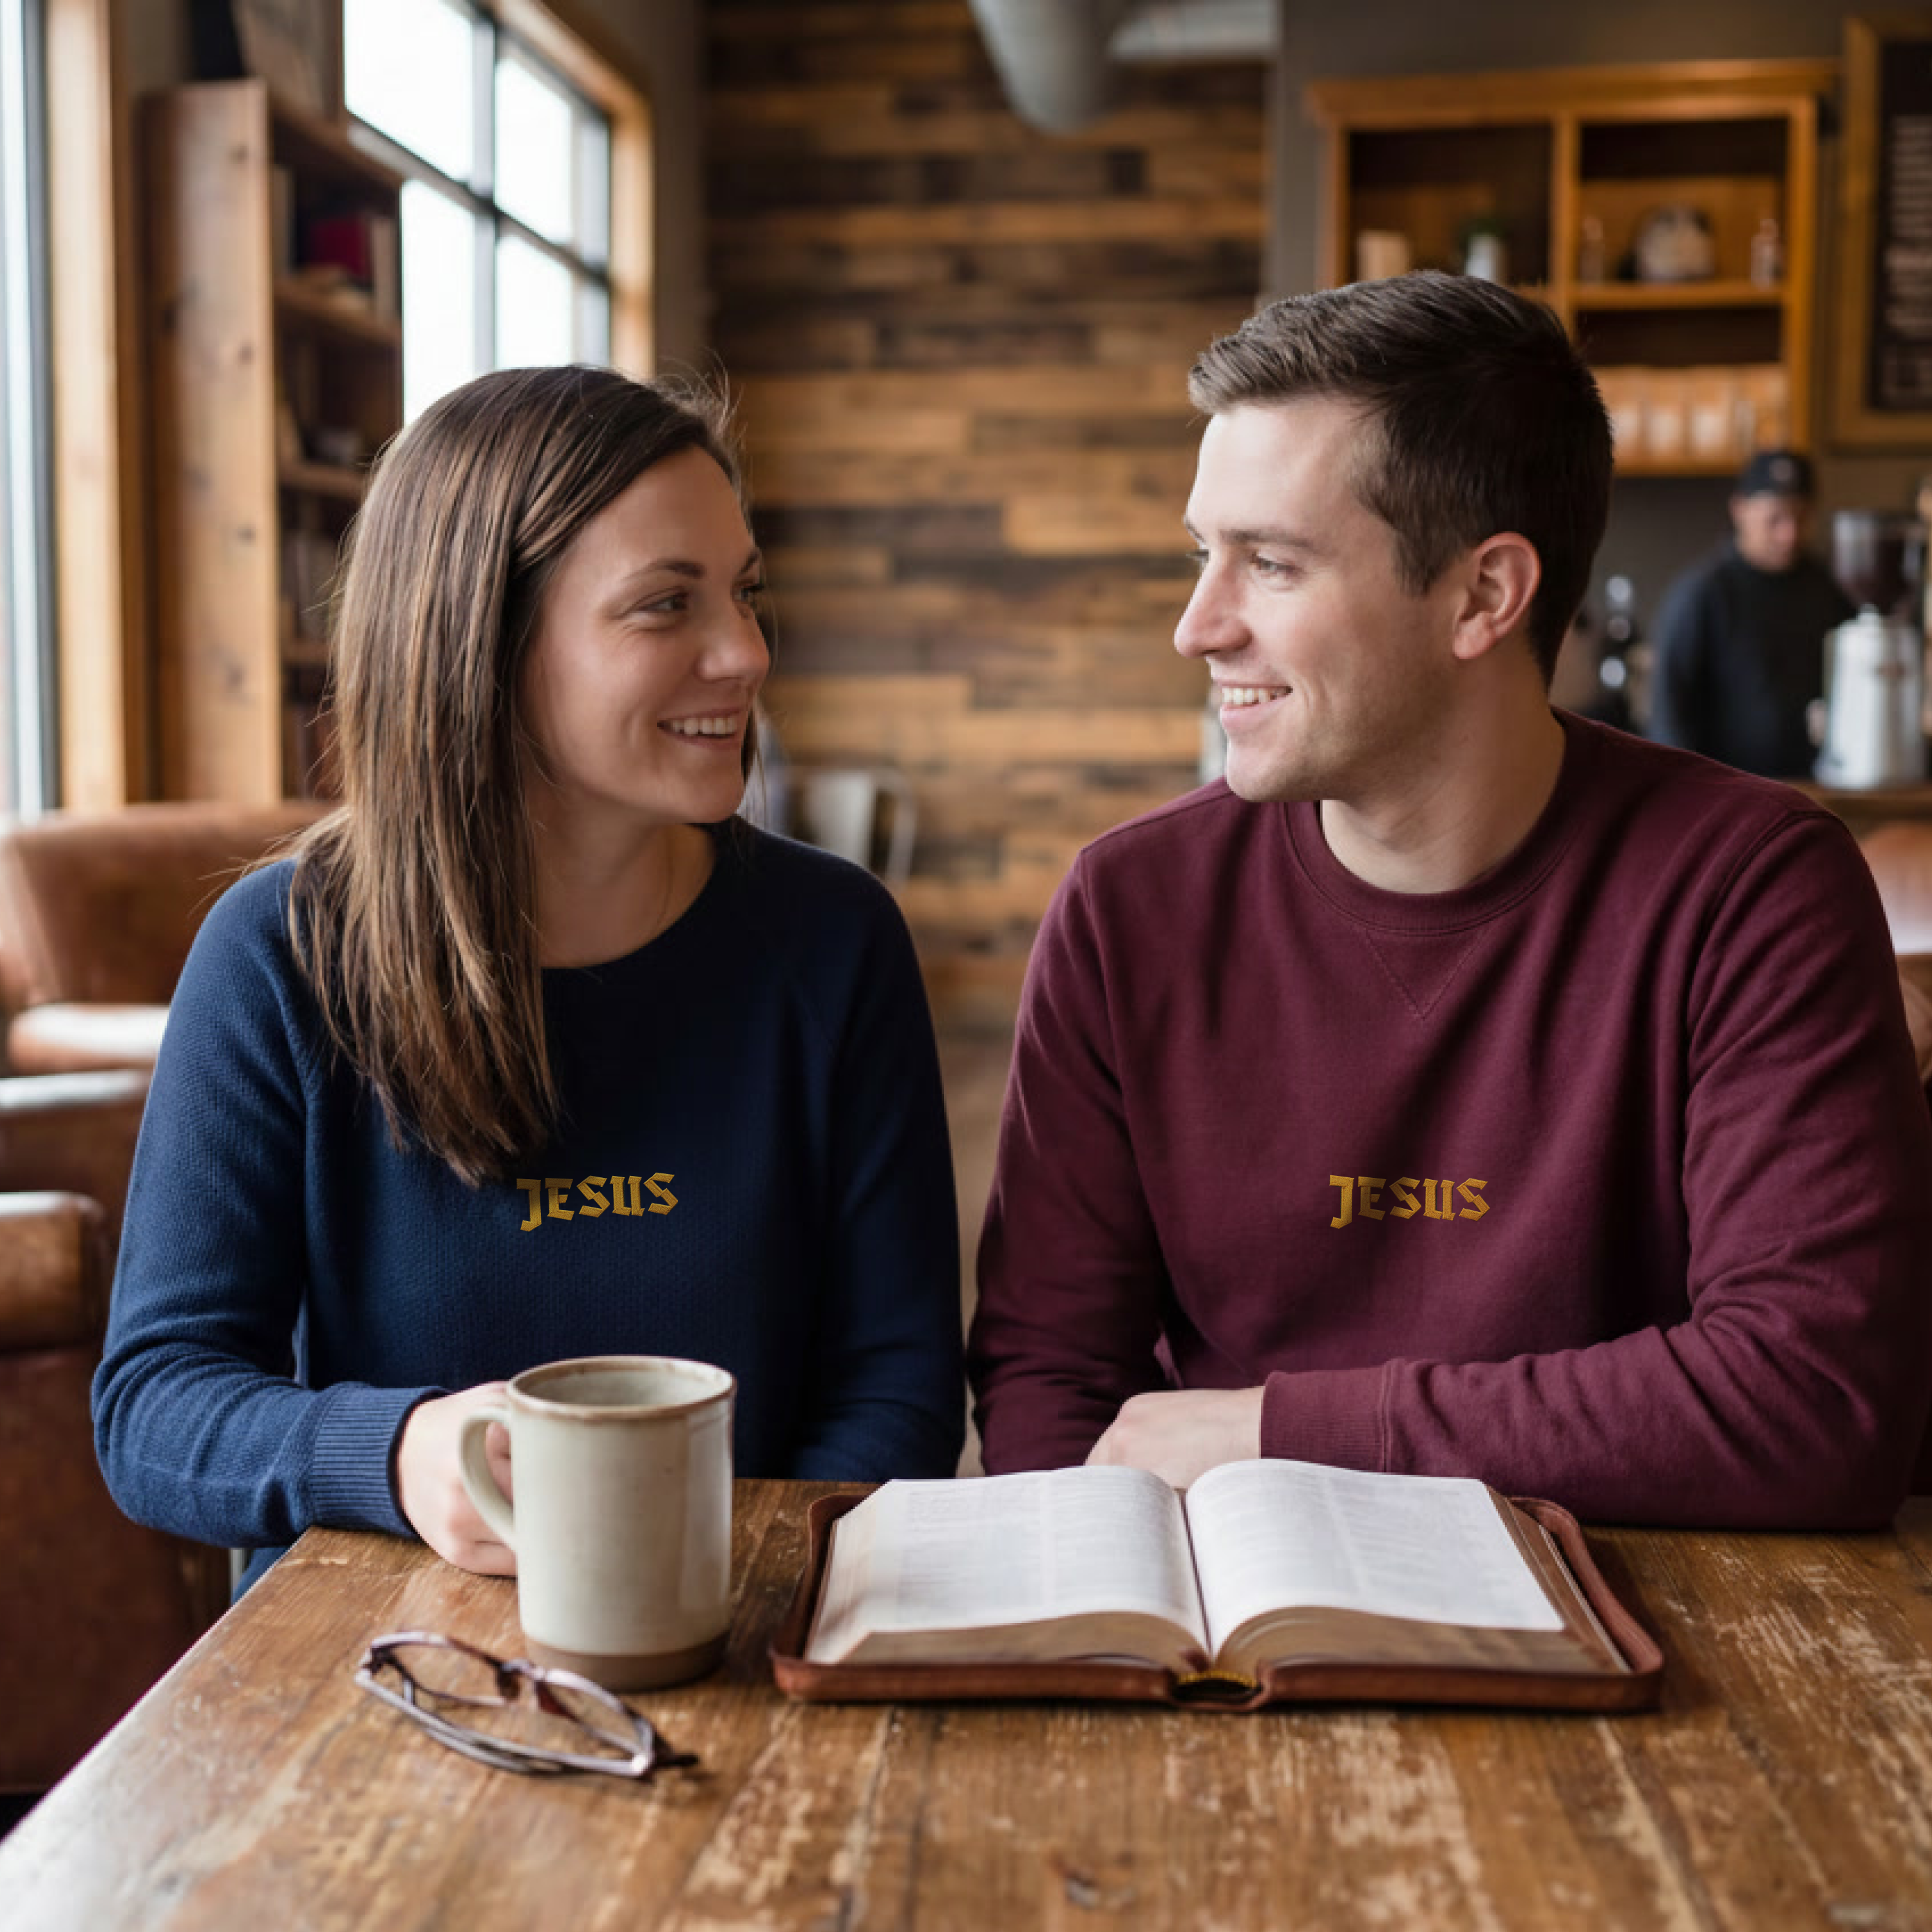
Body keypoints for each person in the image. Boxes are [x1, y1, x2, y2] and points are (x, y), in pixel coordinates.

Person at [967, 273, 1932, 1528]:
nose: (1197, 627)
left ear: (1484, 596)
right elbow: (1051, 1381)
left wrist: (1281, 1428)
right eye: (1204, 556)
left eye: (1270, 564)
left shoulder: (1754, 889)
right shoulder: (1127, 909)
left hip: (1665, 1634)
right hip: (1226, 1629)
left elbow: (1814, 1398)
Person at [95, 365, 965, 1589]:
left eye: (745, 594)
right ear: (483, 642)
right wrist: (395, 1453)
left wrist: (726, 1583)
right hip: (375, 1668)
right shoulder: (279, 955)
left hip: (751, 1637)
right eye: (667, 606)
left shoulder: (835, 943)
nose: (746, 653)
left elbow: (900, 1389)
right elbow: (154, 1410)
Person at [1646, 448, 1854, 777]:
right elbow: (1670, 711)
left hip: (1817, 788)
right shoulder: (1703, 594)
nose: (1789, 534)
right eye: (1775, 520)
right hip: (1729, 795)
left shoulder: (1827, 589)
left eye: (1801, 518)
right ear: (1740, 510)